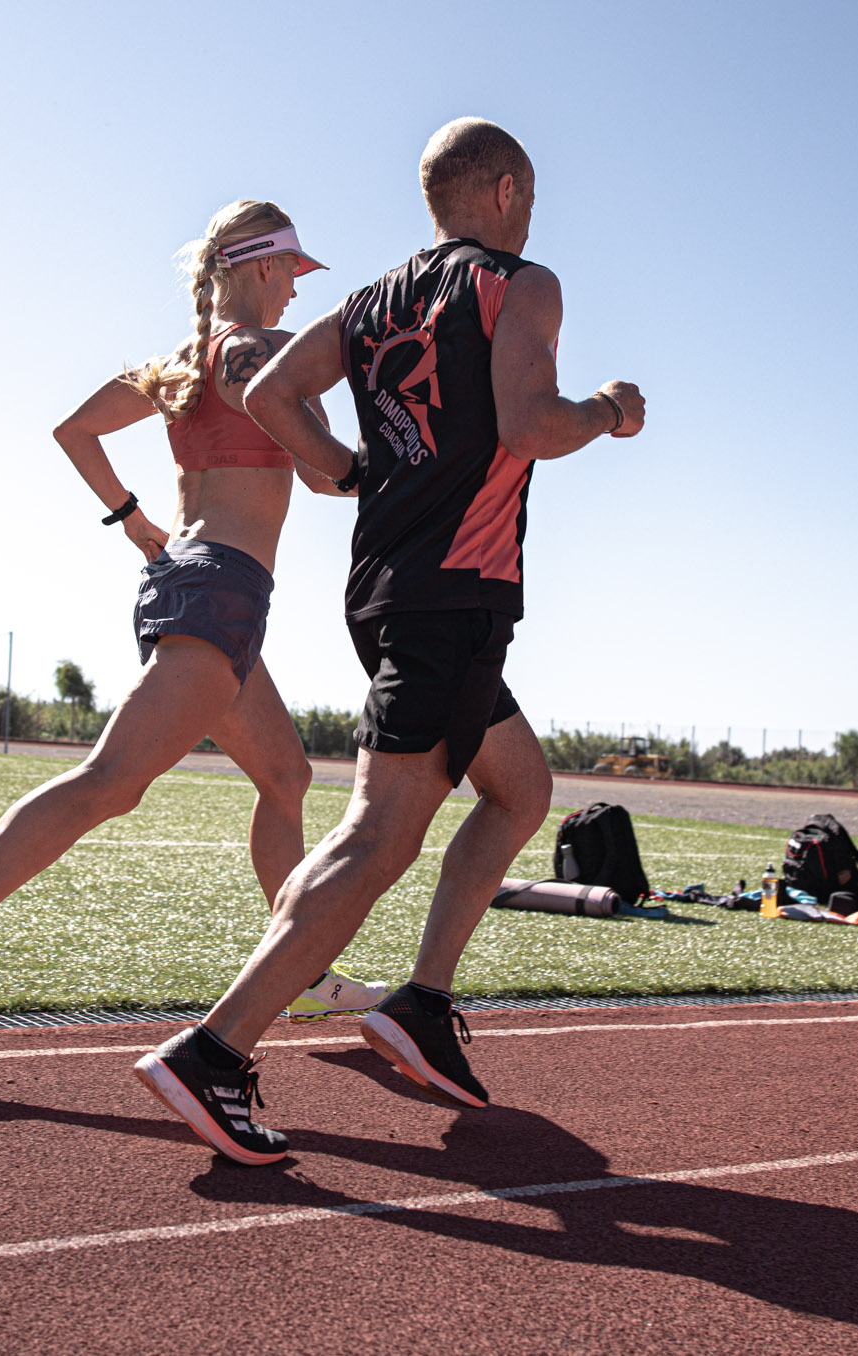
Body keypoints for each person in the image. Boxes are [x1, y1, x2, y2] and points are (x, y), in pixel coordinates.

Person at [132, 119, 646, 1164]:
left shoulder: (370, 301)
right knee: (378, 836)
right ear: (505, 190)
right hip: (453, 595)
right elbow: (528, 425)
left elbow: (271, 393)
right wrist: (606, 410)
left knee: (521, 790)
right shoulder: (520, 284)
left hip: (389, 590)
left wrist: (344, 470)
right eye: (531, 196)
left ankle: (422, 1004)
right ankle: (213, 1051)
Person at [0, 200, 390, 1046]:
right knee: (112, 782)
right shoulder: (261, 354)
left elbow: (74, 430)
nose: (298, 291)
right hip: (217, 593)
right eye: (295, 273)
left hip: (199, 587)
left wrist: (134, 521)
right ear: (265, 266)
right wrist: (410, 462)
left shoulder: (183, 361)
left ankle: (298, 970)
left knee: (286, 775)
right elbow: (325, 477)